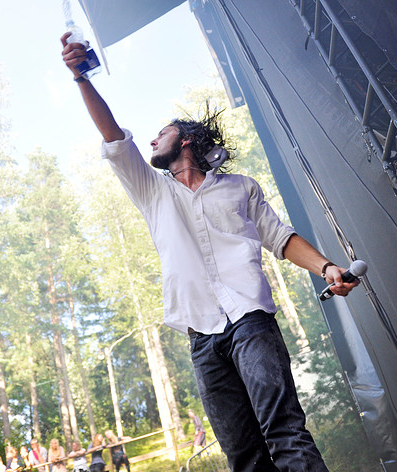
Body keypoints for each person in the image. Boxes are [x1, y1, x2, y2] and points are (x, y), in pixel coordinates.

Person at [61, 32, 360, 472]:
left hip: (251, 321)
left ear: (185, 139)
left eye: (160, 133)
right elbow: (113, 135)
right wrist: (81, 78)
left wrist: (328, 267)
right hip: (201, 334)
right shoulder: (151, 190)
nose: (150, 141)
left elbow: (280, 237)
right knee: (243, 455)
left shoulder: (241, 187)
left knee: (285, 432)